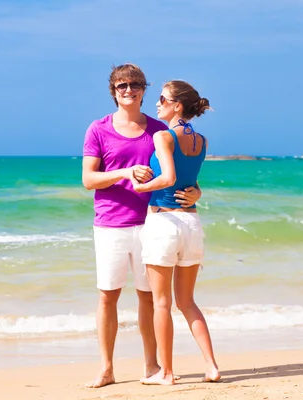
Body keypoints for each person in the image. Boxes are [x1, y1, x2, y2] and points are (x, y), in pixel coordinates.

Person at [82, 65, 202, 388]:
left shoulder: (158, 129)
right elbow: (88, 179)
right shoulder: (98, 129)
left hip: (152, 223)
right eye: (122, 85)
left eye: (135, 84)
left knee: (148, 298)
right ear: (113, 91)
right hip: (109, 224)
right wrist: (124, 173)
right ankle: (106, 368)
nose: (128, 90)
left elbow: (181, 171)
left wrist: (197, 192)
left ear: (143, 90)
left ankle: (152, 366)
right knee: (108, 296)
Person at [129, 80, 220, 386]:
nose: (157, 104)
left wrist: (140, 186)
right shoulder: (202, 141)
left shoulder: (163, 136)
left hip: (164, 223)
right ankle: (211, 366)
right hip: (191, 224)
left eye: (162, 99)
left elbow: (168, 177)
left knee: (161, 303)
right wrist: (199, 193)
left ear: (177, 105)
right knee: (187, 301)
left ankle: (165, 373)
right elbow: (189, 181)